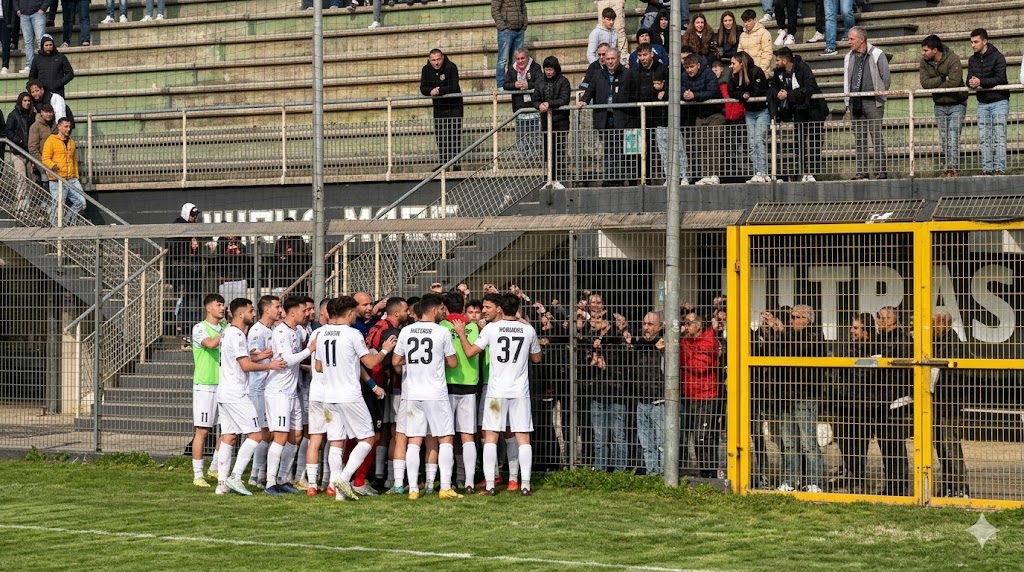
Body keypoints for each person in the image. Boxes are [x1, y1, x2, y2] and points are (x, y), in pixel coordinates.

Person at [453, 293, 542, 496]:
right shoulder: (528, 330)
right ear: (517, 308)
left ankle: (491, 485)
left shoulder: (492, 329)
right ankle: (525, 484)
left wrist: (461, 333)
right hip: (519, 392)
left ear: (500, 308)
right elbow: (536, 358)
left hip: (496, 392)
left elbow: (469, 352)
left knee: (491, 437)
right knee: (523, 437)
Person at [315, 296, 397, 501]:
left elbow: (318, 366)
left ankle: (337, 491)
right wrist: (386, 349)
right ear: (350, 313)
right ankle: (344, 478)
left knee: (336, 441)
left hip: (329, 395)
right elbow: (370, 363)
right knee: (368, 438)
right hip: (349, 395)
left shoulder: (322, 333)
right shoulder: (353, 334)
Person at [392, 293, 462, 500]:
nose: (443, 312)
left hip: (413, 393)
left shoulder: (406, 331)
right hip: (435, 393)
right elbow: (452, 363)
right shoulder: (441, 332)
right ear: (433, 310)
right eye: (441, 308)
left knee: (414, 440)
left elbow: (396, 361)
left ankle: (413, 489)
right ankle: (445, 487)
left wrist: (413, 364)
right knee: (445, 438)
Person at [213, 298, 286, 496]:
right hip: (237, 393)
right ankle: (235, 476)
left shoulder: (228, 332)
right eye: (251, 311)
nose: (253, 314)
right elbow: (245, 366)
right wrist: (269, 364)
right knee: (255, 434)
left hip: (225, 392)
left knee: (229, 437)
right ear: (239, 314)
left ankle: (221, 483)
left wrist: (261, 356)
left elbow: (243, 359)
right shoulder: (236, 335)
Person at [263, 295, 314, 495]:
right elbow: (287, 360)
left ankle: (283, 479)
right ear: (293, 312)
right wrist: (310, 350)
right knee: (281, 436)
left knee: (296, 435)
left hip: (292, 391)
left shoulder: (297, 331)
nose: (307, 314)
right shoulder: (281, 332)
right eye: (304, 311)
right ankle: (269, 483)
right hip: (278, 392)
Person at [576, 48, 636, 187]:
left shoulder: (627, 74)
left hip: (621, 117)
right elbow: (590, 90)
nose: (609, 61)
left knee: (620, 149)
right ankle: (609, 178)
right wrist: (584, 100)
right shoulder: (598, 74)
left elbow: (633, 92)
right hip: (604, 117)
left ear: (618, 58)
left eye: (612, 58)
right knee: (608, 149)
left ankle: (619, 179)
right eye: (607, 59)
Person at [440, 292, 481, 492]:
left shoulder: (440, 327)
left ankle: (450, 480)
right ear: (463, 307)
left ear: (445, 308)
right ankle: (468, 481)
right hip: (469, 384)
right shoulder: (472, 326)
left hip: (446, 384)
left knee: (448, 435)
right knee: (467, 436)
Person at [770, 47, 829, 182]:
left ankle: (812, 172)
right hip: (798, 111)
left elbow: (810, 87)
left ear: (785, 61)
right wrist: (777, 93)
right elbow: (773, 87)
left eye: (778, 60)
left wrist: (789, 95)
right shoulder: (778, 72)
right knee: (799, 142)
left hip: (813, 110)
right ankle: (802, 170)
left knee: (815, 141)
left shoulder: (803, 67)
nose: (776, 63)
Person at [873, 305, 913, 496]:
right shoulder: (880, 338)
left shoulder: (903, 339)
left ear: (892, 320)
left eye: (882, 317)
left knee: (894, 444)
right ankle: (892, 485)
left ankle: (900, 486)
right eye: (878, 317)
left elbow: (900, 368)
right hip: (882, 399)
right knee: (887, 445)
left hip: (897, 400)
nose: (878, 321)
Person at [931, 310, 969, 498]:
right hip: (939, 404)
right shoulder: (938, 342)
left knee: (950, 445)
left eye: (934, 323)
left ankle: (960, 487)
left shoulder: (952, 344)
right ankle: (948, 485)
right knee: (941, 445)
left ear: (943, 323)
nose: (931, 327)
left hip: (948, 404)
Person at [188, 293, 225, 488]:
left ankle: (215, 467)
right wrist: (227, 333)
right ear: (208, 308)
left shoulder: (226, 328)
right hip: (205, 385)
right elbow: (210, 344)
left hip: (225, 385)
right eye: (219, 305)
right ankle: (197, 473)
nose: (222, 308)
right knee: (202, 430)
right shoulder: (200, 328)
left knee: (227, 429)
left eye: (223, 305)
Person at [843, 26, 889, 180]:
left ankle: (880, 171)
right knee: (859, 138)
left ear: (861, 40)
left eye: (852, 39)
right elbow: (846, 79)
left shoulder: (877, 54)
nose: (849, 42)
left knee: (876, 137)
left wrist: (880, 94)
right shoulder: (848, 57)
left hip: (873, 102)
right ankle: (862, 172)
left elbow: (886, 79)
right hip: (855, 102)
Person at [245, 295, 281, 489]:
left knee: (269, 433)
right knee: (263, 432)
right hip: (258, 387)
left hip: (270, 387)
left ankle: (259, 473)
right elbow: (249, 357)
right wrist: (265, 355)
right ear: (267, 310)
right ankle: (254, 474)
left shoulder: (273, 330)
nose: (280, 310)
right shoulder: (256, 331)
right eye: (277, 306)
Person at [919, 35, 967, 178]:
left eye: (926, 50)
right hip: (939, 104)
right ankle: (949, 168)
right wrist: (941, 78)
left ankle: (952, 169)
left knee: (953, 137)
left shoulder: (953, 59)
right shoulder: (924, 62)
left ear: (935, 50)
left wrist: (937, 85)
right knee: (944, 138)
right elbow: (925, 83)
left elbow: (954, 82)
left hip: (957, 103)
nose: (923, 53)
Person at [681, 311, 719, 478]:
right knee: (686, 436)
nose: (685, 326)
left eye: (688, 323)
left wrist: (685, 360)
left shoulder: (709, 341)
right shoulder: (684, 341)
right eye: (685, 323)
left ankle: (709, 472)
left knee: (702, 437)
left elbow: (700, 367)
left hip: (706, 395)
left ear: (698, 325)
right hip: (688, 395)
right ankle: (690, 470)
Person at [967, 28, 1009, 176]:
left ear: (985, 41)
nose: (973, 45)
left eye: (976, 41)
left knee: (999, 137)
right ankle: (986, 168)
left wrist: (980, 82)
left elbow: (1000, 79)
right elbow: (968, 78)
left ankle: (999, 168)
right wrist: (971, 82)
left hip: (999, 101)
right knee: (984, 138)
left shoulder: (998, 57)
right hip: (982, 103)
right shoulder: (972, 60)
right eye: (972, 42)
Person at [681, 53, 723, 185]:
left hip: (715, 113)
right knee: (703, 145)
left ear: (698, 65)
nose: (689, 70)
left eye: (692, 67)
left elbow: (712, 91)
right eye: (687, 67)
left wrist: (694, 95)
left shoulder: (709, 74)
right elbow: (679, 88)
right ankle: (706, 175)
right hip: (699, 115)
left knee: (713, 144)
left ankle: (714, 175)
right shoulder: (683, 76)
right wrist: (684, 94)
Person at [728, 51, 770, 184]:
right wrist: (742, 95)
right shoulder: (734, 75)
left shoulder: (756, 71)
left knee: (759, 140)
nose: (731, 66)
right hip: (750, 112)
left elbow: (759, 90)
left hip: (762, 110)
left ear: (742, 63)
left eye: (733, 63)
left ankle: (763, 172)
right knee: (752, 143)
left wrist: (747, 93)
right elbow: (731, 91)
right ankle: (756, 171)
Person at [419, 49, 464, 170]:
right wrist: (430, 91)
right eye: (433, 60)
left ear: (443, 58)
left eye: (438, 59)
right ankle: (444, 164)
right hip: (439, 107)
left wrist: (439, 91)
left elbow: (454, 86)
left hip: (454, 106)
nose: (436, 63)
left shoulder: (451, 67)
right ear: (430, 60)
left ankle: (456, 164)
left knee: (454, 135)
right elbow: (423, 88)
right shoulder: (426, 70)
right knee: (441, 136)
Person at [633, 311, 665, 475]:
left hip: (659, 402)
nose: (646, 328)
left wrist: (664, 352)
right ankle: (652, 474)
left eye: (650, 324)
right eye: (644, 324)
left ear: (660, 327)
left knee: (661, 443)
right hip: (642, 401)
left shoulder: (665, 344)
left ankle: (664, 476)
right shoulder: (637, 344)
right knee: (646, 443)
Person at [533, 55, 570, 190]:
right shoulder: (539, 82)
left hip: (560, 121)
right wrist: (539, 105)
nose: (548, 72)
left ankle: (558, 178)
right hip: (545, 122)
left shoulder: (563, 81)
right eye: (546, 69)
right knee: (547, 152)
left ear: (556, 69)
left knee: (559, 151)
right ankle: (548, 178)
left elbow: (564, 99)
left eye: (550, 69)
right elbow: (535, 99)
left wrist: (549, 104)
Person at [630, 42, 665, 184]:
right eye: (640, 55)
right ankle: (643, 179)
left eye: (645, 55)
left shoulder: (662, 69)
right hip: (640, 117)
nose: (642, 58)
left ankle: (665, 178)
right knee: (641, 150)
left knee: (661, 149)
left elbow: (669, 86)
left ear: (651, 54)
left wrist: (663, 91)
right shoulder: (635, 72)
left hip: (658, 116)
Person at [40, 116, 84, 226]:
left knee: (81, 203)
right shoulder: (51, 141)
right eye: (66, 127)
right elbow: (45, 158)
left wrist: (76, 176)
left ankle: (67, 221)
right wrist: (53, 165)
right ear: (59, 127)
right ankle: (54, 229)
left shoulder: (71, 142)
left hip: (71, 179)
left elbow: (74, 160)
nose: (68, 129)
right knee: (58, 206)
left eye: (69, 127)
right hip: (57, 180)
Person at [503, 48, 541, 158]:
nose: (520, 61)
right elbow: (505, 84)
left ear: (527, 57)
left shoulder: (535, 67)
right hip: (519, 109)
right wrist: (514, 85)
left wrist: (528, 85)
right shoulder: (512, 69)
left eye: (522, 58)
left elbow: (539, 81)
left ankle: (535, 158)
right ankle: (522, 159)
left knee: (535, 136)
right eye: (518, 59)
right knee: (521, 137)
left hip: (534, 107)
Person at [6, 92, 35, 215]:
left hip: (29, 152)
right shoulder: (13, 115)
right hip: (18, 152)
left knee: (31, 179)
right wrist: (20, 142)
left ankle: (28, 204)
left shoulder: (32, 116)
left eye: (29, 101)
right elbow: (9, 131)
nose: (27, 103)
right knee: (21, 178)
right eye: (25, 101)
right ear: (20, 101)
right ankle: (21, 206)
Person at [492, 0, 526, 91]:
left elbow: (523, 8)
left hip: (519, 30)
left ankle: (513, 83)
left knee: (516, 60)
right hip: (506, 31)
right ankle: (501, 84)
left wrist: (524, 25)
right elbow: (495, 10)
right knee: (502, 60)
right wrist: (503, 27)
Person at [272, 221, 310, 291]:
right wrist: (284, 255)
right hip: (283, 277)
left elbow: (305, 256)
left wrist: (294, 254)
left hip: (297, 276)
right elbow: (276, 257)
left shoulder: (299, 241)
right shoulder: (280, 241)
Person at [737, 9, 773, 76]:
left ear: (755, 20)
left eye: (749, 21)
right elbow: (740, 54)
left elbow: (767, 54)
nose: (747, 24)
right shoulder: (742, 35)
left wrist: (760, 71)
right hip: (745, 72)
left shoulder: (764, 33)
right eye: (745, 22)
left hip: (760, 72)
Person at [15, 0, 47, 73]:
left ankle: (43, 65)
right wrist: (17, 9)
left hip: (38, 13)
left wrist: (43, 8)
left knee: (41, 40)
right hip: (23, 15)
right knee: (27, 42)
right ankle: (30, 66)